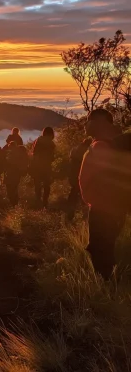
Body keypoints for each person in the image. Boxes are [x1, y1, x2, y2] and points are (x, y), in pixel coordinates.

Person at [80, 109, 131, 279]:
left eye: (88, 120)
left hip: (103, 209)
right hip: (113, 207)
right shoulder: (111, 144)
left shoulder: (102, 147)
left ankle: (105, 290)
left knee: (101, 250)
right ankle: (109, 285)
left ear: (99, 123)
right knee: (105, 248)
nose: (85, 124)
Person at [66, 137, 92, 219]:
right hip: (82, 175)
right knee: (84, 195)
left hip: (73, 174)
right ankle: (85, 216)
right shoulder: (89, 151)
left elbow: (70, 161)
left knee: (73, 193)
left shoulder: (75, 149)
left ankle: (70, 213)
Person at [31, 127, 56, 207]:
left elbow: (34, 153)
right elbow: (52, 157)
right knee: (46, 184)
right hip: (47, 166)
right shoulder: (51, 143)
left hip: (37, 165)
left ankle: (38, 200)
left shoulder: (38, 140)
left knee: (37, 184)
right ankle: (45, 202)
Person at [4, 141, 29, 206]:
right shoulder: (19, 152)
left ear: (11, 146)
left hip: (11, 173)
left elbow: (9, 163)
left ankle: (13, 203)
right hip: (17, 173)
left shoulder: (12, 153)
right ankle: (15, 203)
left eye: (9, 147)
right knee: (14, 187)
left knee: (10, 188)